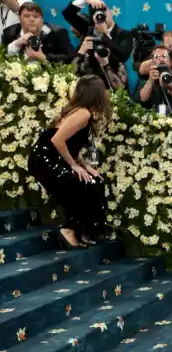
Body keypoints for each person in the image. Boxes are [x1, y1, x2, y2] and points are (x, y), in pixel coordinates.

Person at [28, 75, 110, 248]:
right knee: (76, 182)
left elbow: (71, 145)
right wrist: (74, 166)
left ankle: (84, 230)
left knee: (93, 181)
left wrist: (85, 166)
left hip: (52, 156)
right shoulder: (83, 113)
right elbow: (57, 140)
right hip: (44, 158)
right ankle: (70, 228)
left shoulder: (82, 111)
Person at [2, 1, 76, 64]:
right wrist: (17, 43)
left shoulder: (56, 32)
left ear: (42, 20)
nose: (31, 20)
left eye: (36, 16)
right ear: (20, 19)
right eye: (27, 16)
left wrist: (43, 57)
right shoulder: (10, 32)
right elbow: (3, 57)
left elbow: (70, 56)